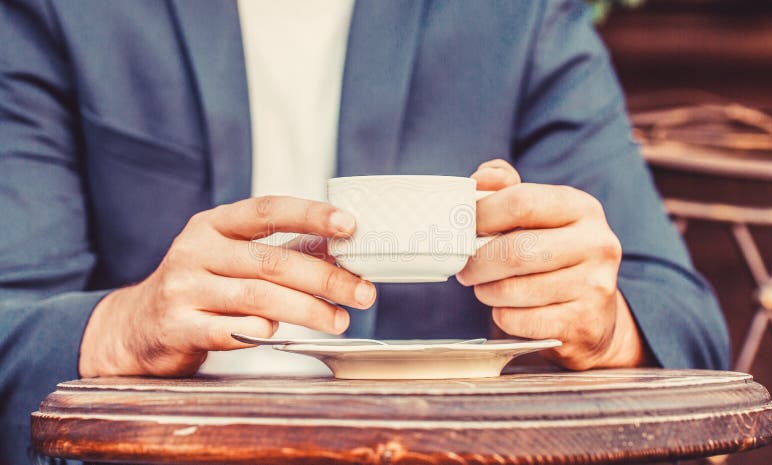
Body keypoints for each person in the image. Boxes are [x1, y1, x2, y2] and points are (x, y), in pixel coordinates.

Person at [0, 0, 729, 463]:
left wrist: (602, 326)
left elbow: (689, 327)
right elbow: (13, 326)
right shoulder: (65, 13)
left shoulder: (520, 15)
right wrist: (124, 326)